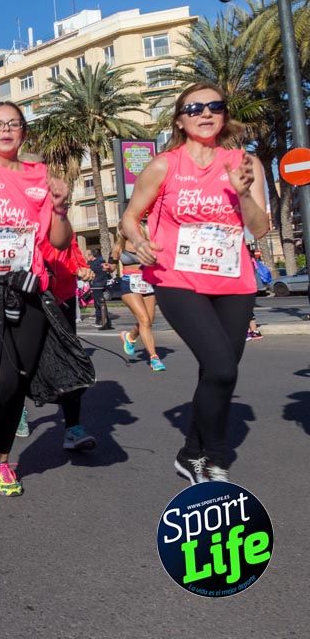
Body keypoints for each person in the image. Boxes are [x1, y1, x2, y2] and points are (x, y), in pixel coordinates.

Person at [0, 102, 93, 497]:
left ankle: (2, 460)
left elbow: (59, 240)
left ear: (23, 133)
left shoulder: (41, 177)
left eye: (14, 124)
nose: (6, 130)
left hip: (29, 288)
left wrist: (59, 209)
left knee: (18, 383)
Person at [122, 82, 269, 484]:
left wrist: (242, 196)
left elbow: (260, 228)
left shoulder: (245, 163)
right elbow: (130, 217)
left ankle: (190, 452)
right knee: (222, 368)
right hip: (177, 277)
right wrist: (138, 242)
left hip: (233, 280)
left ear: (224, 114)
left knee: (217, 371)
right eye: (194, 108)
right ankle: (216, 457)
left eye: (214, 106)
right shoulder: (164, 164)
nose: (205, 113)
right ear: (180, 120)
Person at [39, 234, 97, 451]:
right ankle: (19, 411)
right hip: (31, 295)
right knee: (26, 360)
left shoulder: (63, 222)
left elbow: (72, 252)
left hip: (63, 296)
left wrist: (82, 268)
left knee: (70, 359)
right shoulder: (28, 209)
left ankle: (73, 428)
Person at [110, 229, 164, 370]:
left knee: (148, 321)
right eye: (122, 227)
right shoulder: (119, 246)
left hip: (147, 283)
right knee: (144, 320)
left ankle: (130, 336)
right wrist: (107, 267)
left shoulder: (147, 244)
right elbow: (111, 266)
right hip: (129, 283)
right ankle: (154, 358)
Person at [86, 247, 113, 330]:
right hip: (96, 284)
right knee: (97, 303)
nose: (86, 257)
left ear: (91, 255)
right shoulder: (94, 262)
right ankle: (99, 320)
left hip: (98, 284)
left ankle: (102, 320)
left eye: (87, 255)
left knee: (100, 303)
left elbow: (100, 273)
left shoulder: (99, 261)